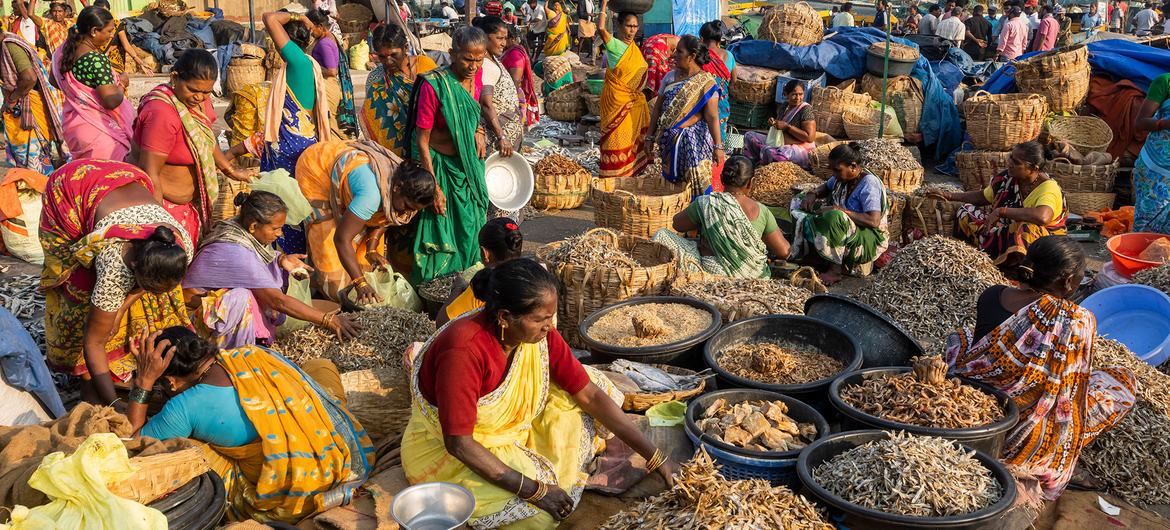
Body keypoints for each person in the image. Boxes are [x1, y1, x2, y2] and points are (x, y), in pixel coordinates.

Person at [401, 259, 676, 527]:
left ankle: (536, 465)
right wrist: (537, 491)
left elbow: (588, 394)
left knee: (586, 388)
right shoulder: (464, 351)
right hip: (456, 451)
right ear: (505, 317)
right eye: (541, 319)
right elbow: (459, 443)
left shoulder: (536, 333)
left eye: (550, 317)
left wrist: (655, 456)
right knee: (538, 516)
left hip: (508, 428)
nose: (549, 326)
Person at [945, 236, 1135, 514]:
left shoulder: (991, 294)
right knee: (1122, 383)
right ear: (1069, 282)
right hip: (1019, 426)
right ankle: (1047, 460)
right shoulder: (1077, 320)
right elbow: (1071, 389)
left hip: (974, 402)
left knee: (960, 336)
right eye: (1080, 279)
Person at [129, 327, 375, 523]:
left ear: (170, 381)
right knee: (320, 366)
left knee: (186, 447)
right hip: (336, 454)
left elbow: (134, 442)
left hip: (293, 493)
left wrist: (144, 381)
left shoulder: (183, 406)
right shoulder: (252, 354)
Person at [39, 160, 193, 405]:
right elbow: (94, 341)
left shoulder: (178, 243)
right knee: (79, 291)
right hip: (71, 188)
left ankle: (120, 363)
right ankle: (90, 378)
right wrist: (114, 405)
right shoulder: (115, 265)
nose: (148, 292)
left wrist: (121, 308)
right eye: (145, 285)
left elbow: (143, 286)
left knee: (132, 307)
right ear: (133, 266)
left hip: (122, 177)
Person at [184, 191, 358, 348]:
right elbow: (278, 301)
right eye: (276, 228)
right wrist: (328, 320)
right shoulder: (235, 251)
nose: (280, 234)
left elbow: (260, 256)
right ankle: (234, 356)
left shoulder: (239, 228)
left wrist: (281, 259)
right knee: (240, 298)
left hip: (209, 312)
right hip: (196, 325)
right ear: (253, 226)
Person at [133, 49, 253, 247]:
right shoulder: (162, 113)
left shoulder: (198, 103)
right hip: (164, 209)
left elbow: (205, 140)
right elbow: (149, 173)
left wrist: (229, 169)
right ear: (174, 78)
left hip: (190, 207)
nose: (199, 97)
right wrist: (158, 223)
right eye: (193, 89)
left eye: (206, 92)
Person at [297, 140, 438, 301]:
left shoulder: (403, 190)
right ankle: (325, 294)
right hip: (318, 168)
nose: (407, 213)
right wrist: (360, 283)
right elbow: (341, 239)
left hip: (357, 184)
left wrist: (371, 248)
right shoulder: (371, 196)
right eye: (406, 206)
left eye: (413, 210)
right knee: (330, 258)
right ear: (397, 188)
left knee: (366, 263)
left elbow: (386, 218)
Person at [247, 10, 332, 256]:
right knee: (289, 209)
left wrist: (299, 17)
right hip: (297, 143)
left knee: (285, 211)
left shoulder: (297, 61)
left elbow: (269, 18)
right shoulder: (303, 64)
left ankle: (286, 266)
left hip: (291, 149)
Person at [408, 26, 489, 283]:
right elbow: (422, 141)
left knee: (472, 225)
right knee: (440, 228)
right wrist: (434, 188)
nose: (473, 65)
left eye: (479, 59)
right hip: (438, 166)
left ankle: (471, 285)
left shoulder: (476, 77)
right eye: (467, 58)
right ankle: (439, 292)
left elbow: (472, 111)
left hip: (466, 167)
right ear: (453, 53)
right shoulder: (434, 86)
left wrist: (478, 129)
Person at [653, 156, 791, 279]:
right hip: (754, 277)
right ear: (750, 182)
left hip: (714, 274)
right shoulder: (762, 211)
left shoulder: (707, 203)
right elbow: (784, 251)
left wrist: (704, 220)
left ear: (721, 179)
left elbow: (677, 224)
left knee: (662, 234)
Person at [940, 141, 1067, 267]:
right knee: (965, 211)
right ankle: (986, 256)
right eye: (1011, 157)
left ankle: (1017, 269)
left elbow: (1042, 217)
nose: (1010, 163)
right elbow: (983, 196)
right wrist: (949, 195)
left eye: (1016, 162)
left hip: (1042, 244)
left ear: (1034, 169)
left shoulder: (1048, 187)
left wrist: (1001, 211)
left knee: (1026, 228)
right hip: (1008, 232)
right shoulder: (1007, 178)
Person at [790, 142, 889, 283]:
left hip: (868, 238)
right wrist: (813, 193)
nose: (834, 174)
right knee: (798, 200)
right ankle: (807, 253)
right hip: (846, 228)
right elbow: (826, 187)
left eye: (837, 170)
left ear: (853, 167)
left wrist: (839, 210)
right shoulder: (841, 177)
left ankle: (835, 270)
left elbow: (873, 221)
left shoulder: (869, 183)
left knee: (835, 216)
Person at [50, 5, 135, 161]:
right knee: (110, 179)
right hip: (100, 131)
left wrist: (80, 96)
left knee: (88, 178)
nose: (111, 36)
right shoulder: (95, 59)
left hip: (75, 126)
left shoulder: (63, 51)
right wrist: (122, 82)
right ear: (94, 31)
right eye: (109, 31)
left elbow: (54, 81)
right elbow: (111, 100)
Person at [648, 35, 724, 198]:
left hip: (694, 142)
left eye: (679, 52)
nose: (674, 55)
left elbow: (712, 117)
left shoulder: (706, 82)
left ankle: (696, 214)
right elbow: (658, 109)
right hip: (667, 139)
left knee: (694, 186)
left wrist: (718, 146)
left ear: (692, 57)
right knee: (673, 188)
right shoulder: (670, 77)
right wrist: (649, 137)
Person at [0, 20, 65, 174]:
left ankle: (40, 184)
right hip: (19, 103)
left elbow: (29, 78)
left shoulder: (11, 46)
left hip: (29, 103)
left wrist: (11, 100)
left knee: (35, 152)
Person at [362, 24, 438, 156]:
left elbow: (443, 102)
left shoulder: (426, 66)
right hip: (395, 154)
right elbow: (376, 119)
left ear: (406, 48)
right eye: (382, 57)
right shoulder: (376, 78)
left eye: (393, 55)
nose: (388, 61)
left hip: (433, 143)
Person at [436, 217, 524, 325]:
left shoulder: (486, 284)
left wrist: (457, 288)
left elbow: (442, 323)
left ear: (485, 253)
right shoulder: (533, 274)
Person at [598, 0, 650, 178]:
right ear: (620, 25)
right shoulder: (614, 45)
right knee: (616, 140)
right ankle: (612, 178)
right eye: (628, 26)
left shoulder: (635, 48)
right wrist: (604, 6)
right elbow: (601, 31)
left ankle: (629, 177)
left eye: (635, 26)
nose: (632, 30)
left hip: (633, 105)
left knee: (630, 141)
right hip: (617, 104)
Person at [306, 9, 358, 140]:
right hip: (329, 86)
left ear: (320, 26)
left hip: (329, 87)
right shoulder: (329, 37)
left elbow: (332, 70)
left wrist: (312, 65)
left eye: (311, 28)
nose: (310, 32)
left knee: (331, 127)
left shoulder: (324, 43)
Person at [476, 16, 524, 156]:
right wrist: (501, 136)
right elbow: (486, 104)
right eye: (499, 38)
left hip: (507, 139)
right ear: (484, 37)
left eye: (505, 38)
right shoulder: (484, 64)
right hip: (498, 142)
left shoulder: (494, 60)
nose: (504, 43)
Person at [743, 80, 817, 169]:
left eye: (801, 94)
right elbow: (779, 124)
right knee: (749, 136)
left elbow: (809, 138)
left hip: (799, 148)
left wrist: (788, 127)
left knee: (768, 151)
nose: (798, 98)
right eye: (794, 94)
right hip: (780, 141)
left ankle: (765, 166)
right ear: (786, 94)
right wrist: (774, 123)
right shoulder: (785, 106)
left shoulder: (805, 110)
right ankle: (752, 163)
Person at [1132, 72, 1170, 233]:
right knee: (1147, 229)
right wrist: (1164, 123)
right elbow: (1140, 122)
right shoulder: (1165, 82)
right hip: (1155, 169)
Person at [700, 21, 735, 143]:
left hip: (703, 105)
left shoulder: (700, 56)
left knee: (704, 139)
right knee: (719, 139)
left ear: (701, 38)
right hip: (722, 104)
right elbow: (733, 80)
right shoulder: (729, 55)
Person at [501, 24, 540, 127]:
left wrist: (508, 100)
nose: (501, 42)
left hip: (513, 96)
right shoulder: (509, 51)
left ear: (512, 39)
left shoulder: (515, 55)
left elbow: (516, 81)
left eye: (504, 38)